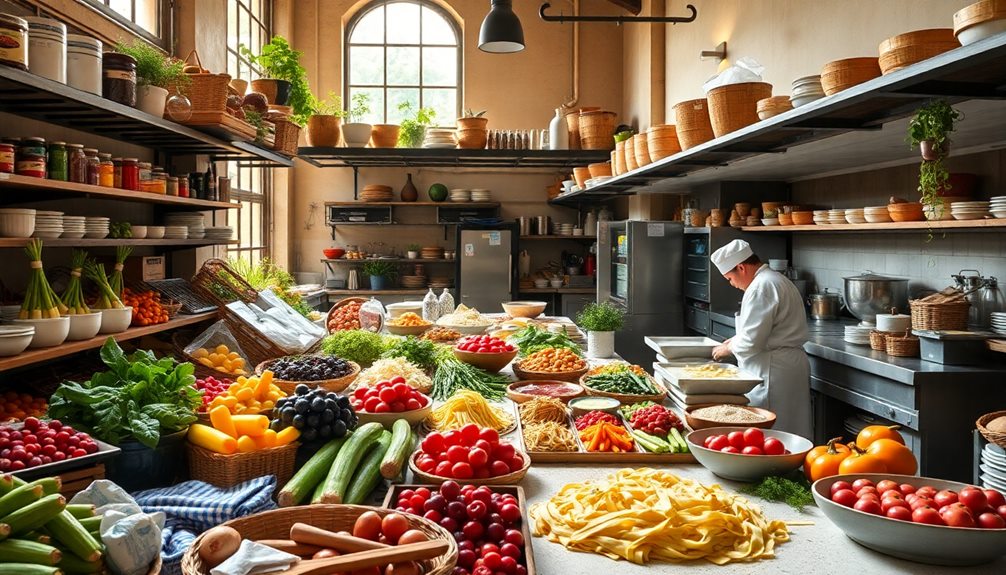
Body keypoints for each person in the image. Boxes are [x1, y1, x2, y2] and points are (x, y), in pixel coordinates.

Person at [709, 239, 812, 438]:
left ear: (741, 267)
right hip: (783, 366)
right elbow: (762, 330)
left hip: (773, 371)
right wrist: (734, 340)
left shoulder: (760, 287)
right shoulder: (772, 279)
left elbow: (751, 341)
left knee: (774, 433)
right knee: (790, 431)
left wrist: (727, 349)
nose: (732, 284)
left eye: (730, 278)